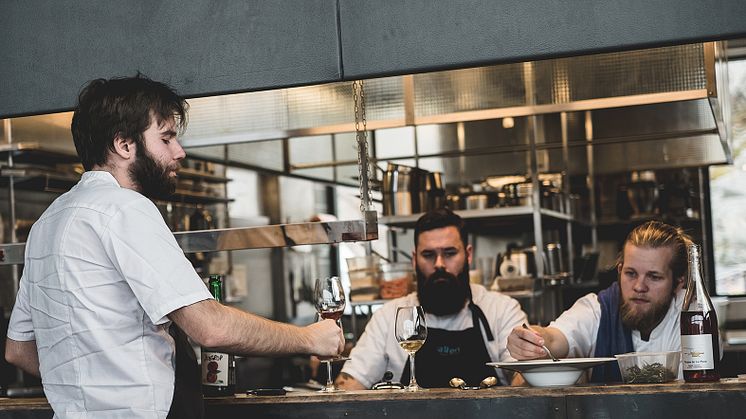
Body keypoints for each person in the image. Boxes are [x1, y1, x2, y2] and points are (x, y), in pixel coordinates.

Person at [4, 75, 344, 419]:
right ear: (124, 145)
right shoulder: (125, 208)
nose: (178, 152)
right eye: (166, 138)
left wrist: (92, 386)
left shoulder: (48, 222)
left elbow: (19, 350)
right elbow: (211, 328)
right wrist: (309, 339)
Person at [336, 208, 527, 389]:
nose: (439, 264)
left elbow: (522, 378)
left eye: (450, 253)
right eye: (428, 255)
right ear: (414, 259)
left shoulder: (502, 310)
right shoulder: (388, 318)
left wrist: (523, 380)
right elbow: (350, 384)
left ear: (468, 255)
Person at [507, 220, 691, 383]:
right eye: (630, 274)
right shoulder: (597, 310)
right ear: (620, 271)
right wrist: (532, 339)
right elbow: (554, 338)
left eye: (654, 277)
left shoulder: (693, 316)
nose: (639, 286)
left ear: (678, 283)